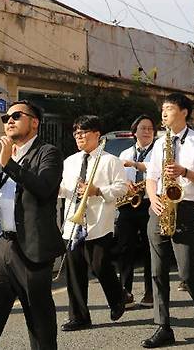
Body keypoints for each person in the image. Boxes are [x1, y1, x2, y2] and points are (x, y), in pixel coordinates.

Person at [0, 100, 64, 350]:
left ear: (34, 122)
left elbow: (43, 188)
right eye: (6, 118)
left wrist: (9, 163)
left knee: (38, 318)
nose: (9, 120)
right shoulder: (4, 156)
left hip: (31, 248)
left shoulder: (48, 153)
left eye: (16, 116)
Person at [141, 93, 194, 348]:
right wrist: (152, 199)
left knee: (186, 270)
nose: (164, 113)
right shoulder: (161, 143)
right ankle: (163, 326)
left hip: (186, 208)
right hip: (159, 207)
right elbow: (151, 177)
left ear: (184, 112)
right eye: (162, 109)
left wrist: (184, 172)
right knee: (157, 271)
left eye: (169, 109)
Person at [59, 115, 128, 332]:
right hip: (73, 224)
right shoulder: (70, 161)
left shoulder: (110, 160)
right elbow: (61, 187)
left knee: (100, 265)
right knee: (74, 271)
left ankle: (117, 298)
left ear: (97, 134)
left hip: (98, 223)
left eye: (84, 132)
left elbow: (122, 188)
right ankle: (79, 317)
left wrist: (98, 191)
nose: (79, 136)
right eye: (76, 132)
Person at [116, 115, 156, 308]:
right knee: (125, 248)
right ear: (134, 132)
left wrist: (137, 167)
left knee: (150, 249)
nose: (147, 131)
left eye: (150, 128)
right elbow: (117, 177)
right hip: (128, 204)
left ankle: (150, 293)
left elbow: (158, 170)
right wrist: (126, 184)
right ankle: (125, 291)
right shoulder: (124, 153)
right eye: (143, 128)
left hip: (150, 203)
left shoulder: (158, 152)